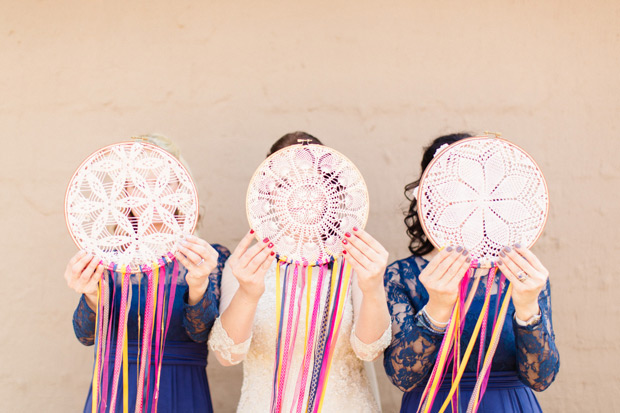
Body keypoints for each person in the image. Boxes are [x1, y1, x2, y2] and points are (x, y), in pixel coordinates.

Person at [208, 132, 392, 412]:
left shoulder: (353, 259)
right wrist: (248, 293)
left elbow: (370, 350)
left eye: (315, 179)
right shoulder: (246, 261)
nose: (304, 191)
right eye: (288, 181)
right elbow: (227, 355)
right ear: (269, 190)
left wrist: (373, 288)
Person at [383, 133, 560, 412]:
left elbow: (541, 379)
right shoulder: (402, 275)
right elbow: (403, 377)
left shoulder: (523, 275)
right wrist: (437, 309)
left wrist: (528, 311)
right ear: (430, 197)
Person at [66, 135, 229, 412]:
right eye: (140, 183)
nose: (153, 193)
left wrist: (198, 285)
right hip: (115, 393)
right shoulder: (106, 257)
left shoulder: (210, 258)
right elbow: (85, 335)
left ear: (182, 188)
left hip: (182, 391)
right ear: (124, 191)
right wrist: (90, 294)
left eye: (164, 182)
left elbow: (202, 335)